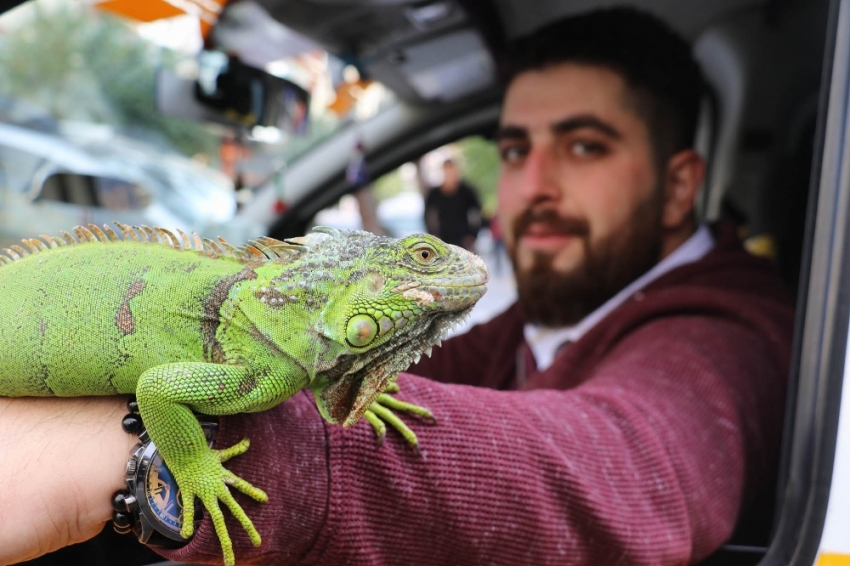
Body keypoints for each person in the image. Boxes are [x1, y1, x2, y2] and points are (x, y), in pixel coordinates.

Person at [0, 7, 795, 566]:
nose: (536, 185)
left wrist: (137, 462)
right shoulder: (548, 318)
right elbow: (381, 374)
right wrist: (350, 384)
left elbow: (631, 471)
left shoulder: (731, 333)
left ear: (682, 184)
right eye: (514, 149)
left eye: (585, 147)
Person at [423, 158, 482, 251]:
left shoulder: (467, 191)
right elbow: (428, 216)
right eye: (447, 172)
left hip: (464, 242)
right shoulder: (434, 194)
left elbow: (476, 214)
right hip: (442, 242)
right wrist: (434, 236)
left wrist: (473, 235)